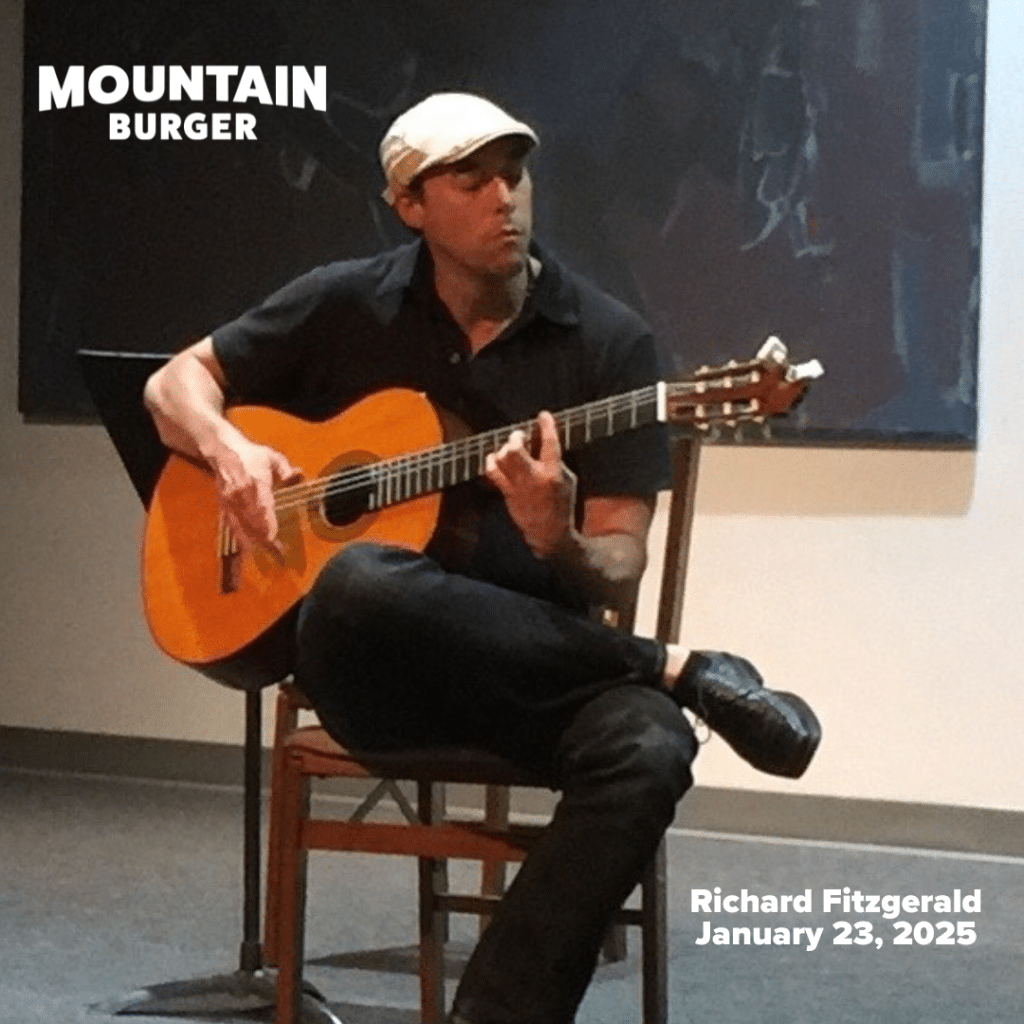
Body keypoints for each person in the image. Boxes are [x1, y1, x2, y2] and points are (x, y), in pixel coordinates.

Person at [144, 92, 821, 1024]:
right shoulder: (345, 303)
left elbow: (620, 565)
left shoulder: (609, 342)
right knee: (355, 581)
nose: (506, 197)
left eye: (516, 173)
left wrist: (560, 538)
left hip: (540, 673)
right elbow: (173, 384)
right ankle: (680, 669)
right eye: (472, 180)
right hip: (378, 672)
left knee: (652, 748)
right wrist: (230, 452)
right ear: (409, 204)